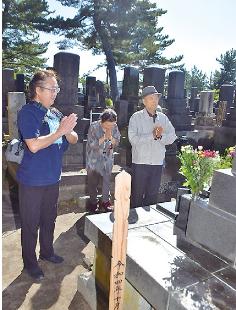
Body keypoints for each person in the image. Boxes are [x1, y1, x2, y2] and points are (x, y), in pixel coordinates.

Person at [17, 69, 78, 281]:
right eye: (51, 89)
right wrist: (60, 131)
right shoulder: (28, 112)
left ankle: (47, 252)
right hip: (32, 180)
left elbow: (74, 138)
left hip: (53, 178)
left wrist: (68, 129)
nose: (55, 93)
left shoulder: (54, 113)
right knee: (30, 223)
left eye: (56, 89)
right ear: (37, 90)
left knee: (49, 220)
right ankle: (30, 263)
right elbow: (33, 145)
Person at [128, 85, 177, 208]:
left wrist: (160, 137)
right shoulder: (136, 117)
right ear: (144, 101)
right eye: (151, 98)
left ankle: (148, 223)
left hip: (157, 162)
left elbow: (172, 136)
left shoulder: (163, 118)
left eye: (156, 98)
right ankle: (134, 220)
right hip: (140, 162)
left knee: (152, 195)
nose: (154, 101)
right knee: (137, 195)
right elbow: (133, 140)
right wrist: (152, 136)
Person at [86, 108, 120, 213]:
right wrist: (105, 137)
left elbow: (117, 142)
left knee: (106, 181)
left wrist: (112, 139)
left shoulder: (114, 126)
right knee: (93, 182)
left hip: (108, 158)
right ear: (102, 121)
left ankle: (106, 202)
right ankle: (93, 202)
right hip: (94, 159)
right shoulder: (94, 126)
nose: (110, 127)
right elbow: (92, 144)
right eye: (107, 125)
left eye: (112, 125)